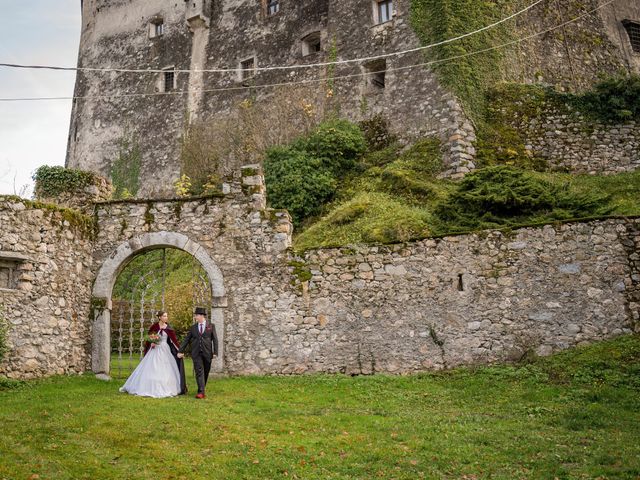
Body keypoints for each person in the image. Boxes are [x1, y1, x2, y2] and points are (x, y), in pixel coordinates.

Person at [119, 311, 187, 398]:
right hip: (155, 350)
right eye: (164, 316)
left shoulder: (169, 328)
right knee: (152, 366)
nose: (166, 318)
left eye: (167, 316)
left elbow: (175, 342)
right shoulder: (154, 327)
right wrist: (152, 343)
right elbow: (149, 338)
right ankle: (147, 386)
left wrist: (179, 351)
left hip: (165, 349)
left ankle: (166, 386)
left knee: (165, 368)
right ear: (159, 317)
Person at [178, 306, 218, 399]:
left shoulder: (211, 326)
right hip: (196, 353)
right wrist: (181, 351)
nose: (195, 317)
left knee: (206, 371)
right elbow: (186, 340)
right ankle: (201, 392)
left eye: (196, 315)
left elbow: (215, 340)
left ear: (202, 316)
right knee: (199, 371)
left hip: (208, 353)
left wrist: (215, 352)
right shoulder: (193, 328)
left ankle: (202, 387)